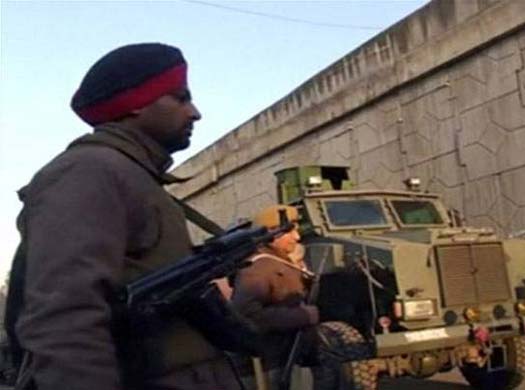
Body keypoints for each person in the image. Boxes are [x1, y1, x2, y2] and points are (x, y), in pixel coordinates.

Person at [5, 43, 241, 390]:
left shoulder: (133, 176)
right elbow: (65, 322)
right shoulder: (89, 172)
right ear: (135, 103)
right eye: (180, 97)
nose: (194, 112)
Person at [230, 205, 319, 388]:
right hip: (269, 369)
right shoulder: (257, 269)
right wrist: (303, 316)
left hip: (288, 360)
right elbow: (245, 315)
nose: (297, 237)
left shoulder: (279, 263)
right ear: (272, 233)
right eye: (290, 231)